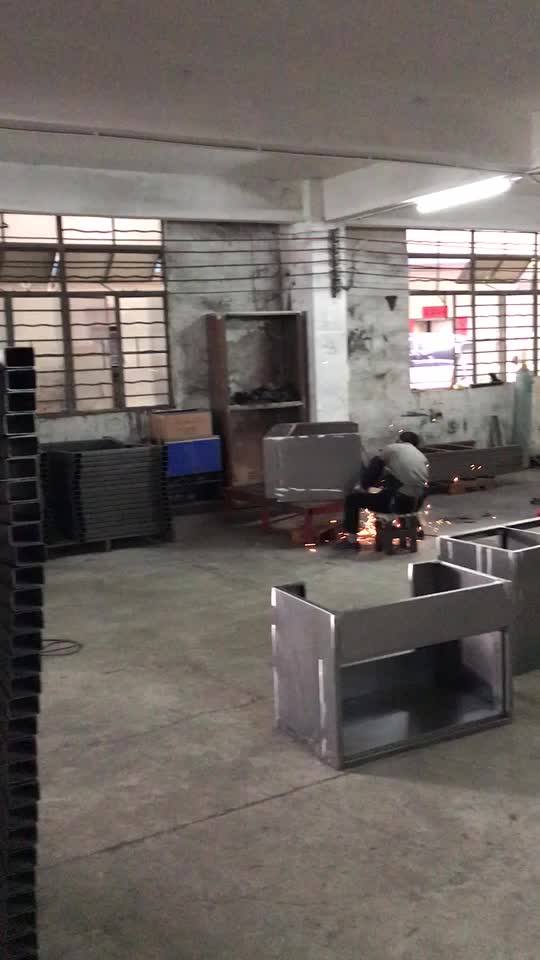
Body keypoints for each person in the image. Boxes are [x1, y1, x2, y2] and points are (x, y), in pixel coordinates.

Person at [340, 431, 428, 547]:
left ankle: (351, 541)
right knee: (406, 491)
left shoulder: (391, 449)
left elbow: (374, 471)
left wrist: (362, 487)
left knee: (352, 499)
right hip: (417, 504)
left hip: (396, 504)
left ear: (399, 440)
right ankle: (416, 529)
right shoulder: (420, 455)